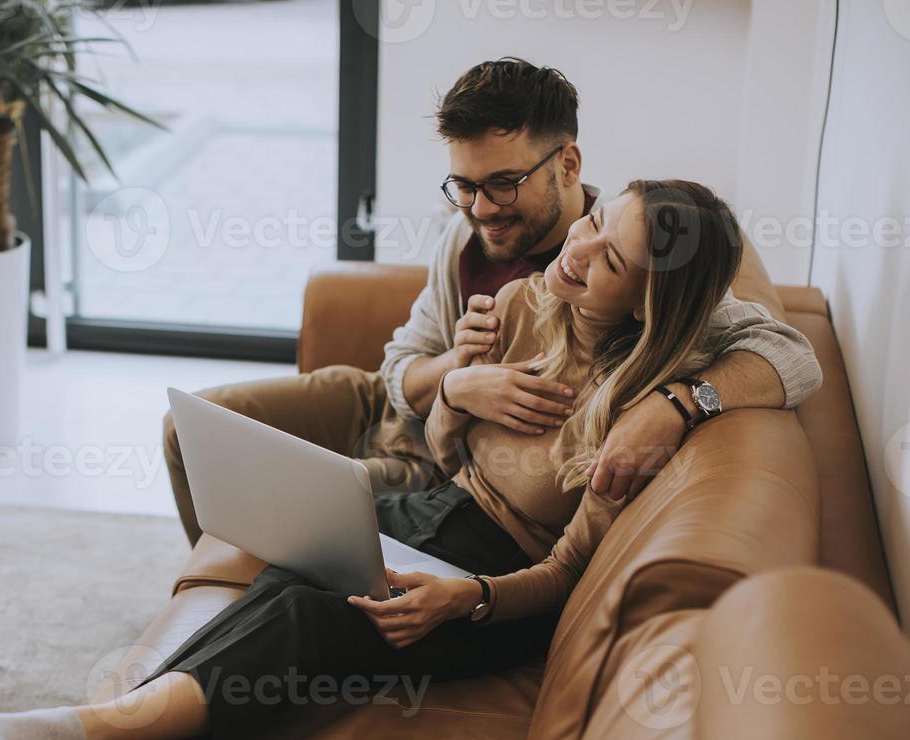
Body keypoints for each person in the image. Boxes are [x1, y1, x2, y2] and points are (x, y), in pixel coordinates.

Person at [0, 179, 770, 740]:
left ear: (647, 303)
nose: (580, 249)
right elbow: (449, 449)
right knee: (294, 557)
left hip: (499, 589)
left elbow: (562, 573)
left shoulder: (633, 414)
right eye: (592, 223)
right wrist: (459, 378)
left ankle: (88, 730)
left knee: (306, 614)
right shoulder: (525, 301)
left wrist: (470, 598)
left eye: (611, 258)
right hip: (439, 511)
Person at [162, 58, 822, 546]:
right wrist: (459, 374)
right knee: (189, 431)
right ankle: (213, 582)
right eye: (464, 185)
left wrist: (677, 403)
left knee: (273, 511)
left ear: (568, 164)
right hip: (395, 404)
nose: (480, 208)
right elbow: (399, 367)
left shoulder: (641, 260)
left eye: (503, 185)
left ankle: (236, 594)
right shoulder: (465, 236)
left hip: (435, 467)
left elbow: (789, 354)